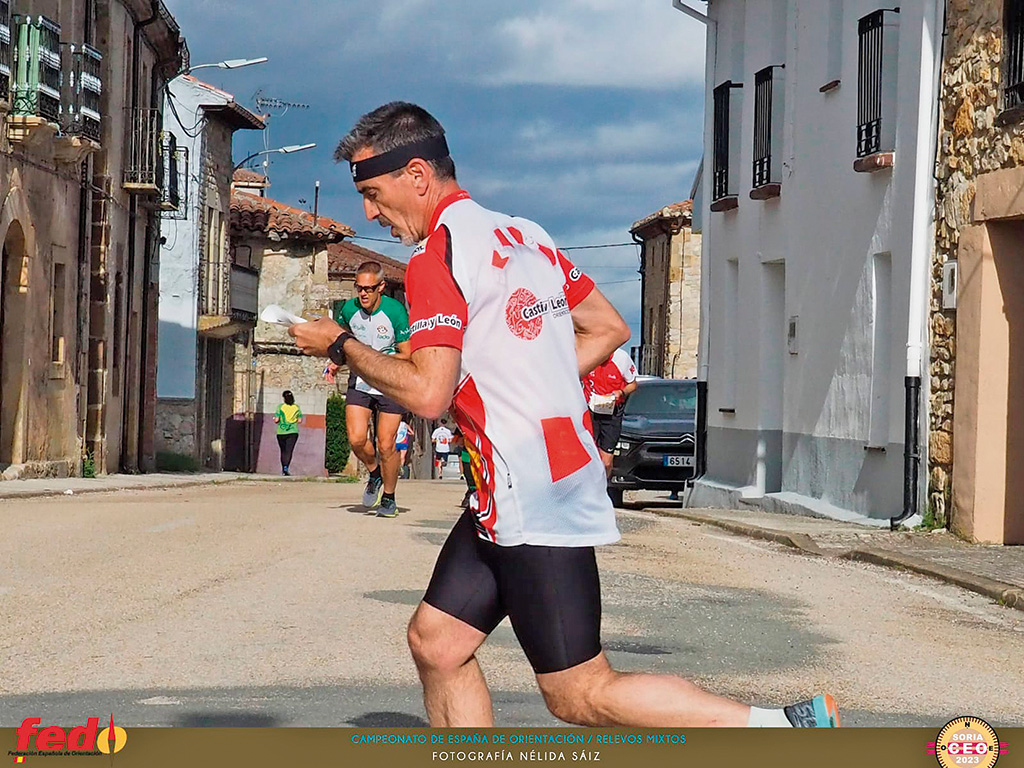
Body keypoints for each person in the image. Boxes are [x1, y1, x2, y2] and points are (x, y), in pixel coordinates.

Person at [291, 102, 839, 729]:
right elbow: (608, 328)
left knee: (581, 692)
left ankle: (782, 729)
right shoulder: (526, 235)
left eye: (372, 192)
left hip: (527, 487)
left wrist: (341, 346)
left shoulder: (435, 256)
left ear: (416, 174)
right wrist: (532, 377)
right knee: (437, 643)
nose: (368, 212)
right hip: (532, 476)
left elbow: (427, 394)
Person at [331, 261, 411, 518]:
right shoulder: (348, 309)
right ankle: (374, 473)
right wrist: (336, 361)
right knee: (356, 438)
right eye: (359, 288)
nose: (363, 294)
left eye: (369, 288)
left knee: (386, 444)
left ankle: (389, 497)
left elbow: (408, 354)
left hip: (389, 382)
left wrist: (378, 358)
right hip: (361, 380)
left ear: (381, 287)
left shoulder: (395, 311)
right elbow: (341, 339)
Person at [582, 348, 639, 478]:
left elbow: (633, 385)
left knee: (606, 462)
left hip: (612, 410)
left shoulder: (621, 358)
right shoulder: (587, 355)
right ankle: (591, 489)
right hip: (590, 409)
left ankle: (605, 487)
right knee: (589, 456)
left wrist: (621, 392)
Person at [273, 391, 303, 476]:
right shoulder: (296, 407)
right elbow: (300, 420)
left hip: (281, 432)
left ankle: (283, 468)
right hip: (293, 432)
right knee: (289, 451)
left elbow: (276, 420)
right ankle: (286, 468)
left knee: (283, 451)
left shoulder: (280, 407)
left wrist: (277, 420)